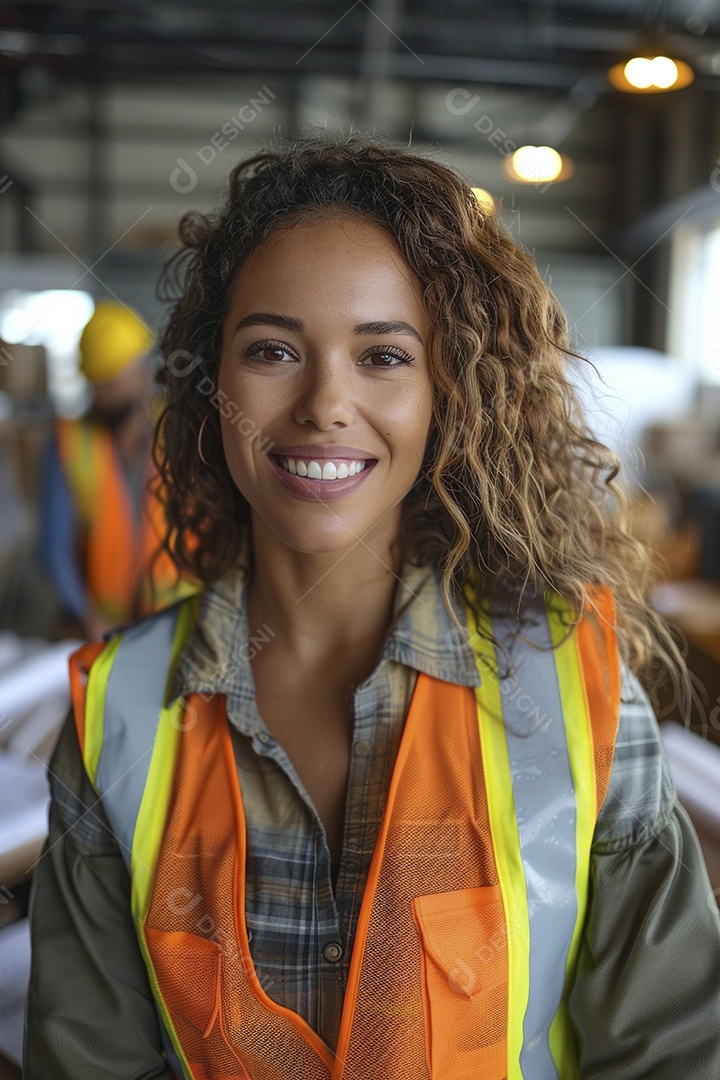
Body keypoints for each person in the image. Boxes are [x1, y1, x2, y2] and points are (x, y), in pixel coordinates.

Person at [25, 137, 720, 1078]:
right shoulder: (114, 715)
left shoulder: (578, 695)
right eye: (272, 350)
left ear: (449, 394)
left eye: (384, 356)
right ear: (209, 381)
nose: (325, 404)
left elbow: (674, 1054)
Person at [38, 300, 188, 638]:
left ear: (143, 371)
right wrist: (85, 614)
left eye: (110, 382)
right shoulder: (69, 442)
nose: (99, 395)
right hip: (96, 626)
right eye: (93, 383)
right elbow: (52, 546)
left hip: (174, 623)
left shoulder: (181, 433)